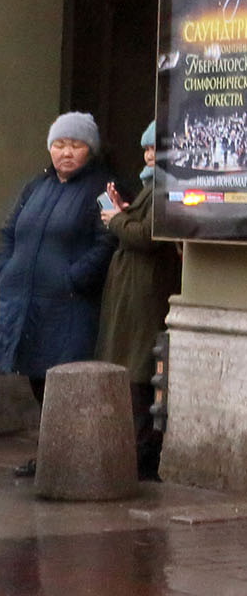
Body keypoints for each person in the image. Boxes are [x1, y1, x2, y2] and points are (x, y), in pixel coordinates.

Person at [0, 112, 117, 477]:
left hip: (68, 303)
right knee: (35, 375)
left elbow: (108, 239)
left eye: (76, 145)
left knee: (62, 378)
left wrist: (75, 278)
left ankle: (67, 457)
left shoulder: (104, 189)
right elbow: (9, 231)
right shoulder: (36, 186)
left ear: (90, 150)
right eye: (59, 145)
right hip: (27, 299)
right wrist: (3, 269)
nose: (66, 152)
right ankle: (49, 454)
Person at [96, 121, 182, 482]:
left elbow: (149, 235)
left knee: (141, 371)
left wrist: (116, 219)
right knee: (134, 370)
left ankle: (144, 450)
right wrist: (124, 211)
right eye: (146, 149)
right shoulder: (153, 186)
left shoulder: (165, 187)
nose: (149, 155)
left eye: (155, 149)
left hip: (145, 292)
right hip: (135, 290)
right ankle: (138, 447)